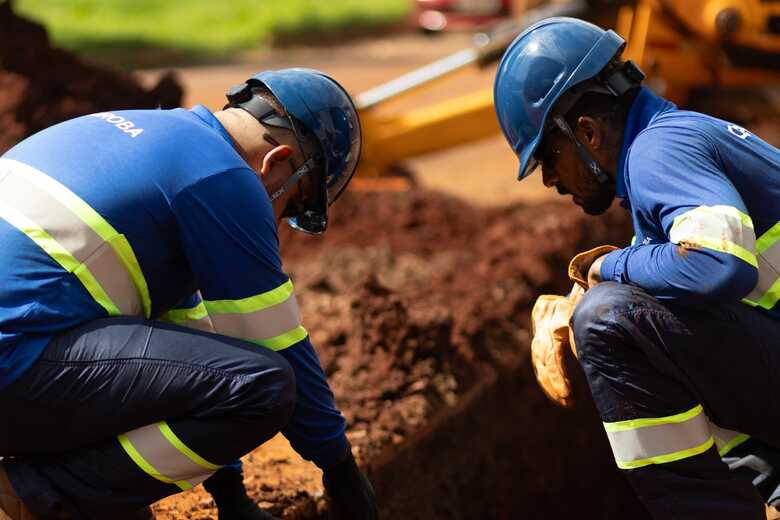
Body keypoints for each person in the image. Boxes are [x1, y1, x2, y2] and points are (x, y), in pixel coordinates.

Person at [0, 68, 377, 520]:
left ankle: (57, 490)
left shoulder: (145, 137)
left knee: (118, 492)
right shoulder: (223, 177)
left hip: (18, 360)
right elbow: (275, 343)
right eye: (290, 205)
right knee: (266, 386)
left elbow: (189, 354)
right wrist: (341, 470)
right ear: (277, 162)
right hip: (12, 363)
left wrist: (231, 497)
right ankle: (23, 495)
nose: (275, 222)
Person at [494, 16, 780, 519]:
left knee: (608, 319)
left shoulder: (658, 151)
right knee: (645, 316)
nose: (551, 182)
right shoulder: (669, 149)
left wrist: (606, 269)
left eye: (549, 158)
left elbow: (716, 265)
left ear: (587, 131)